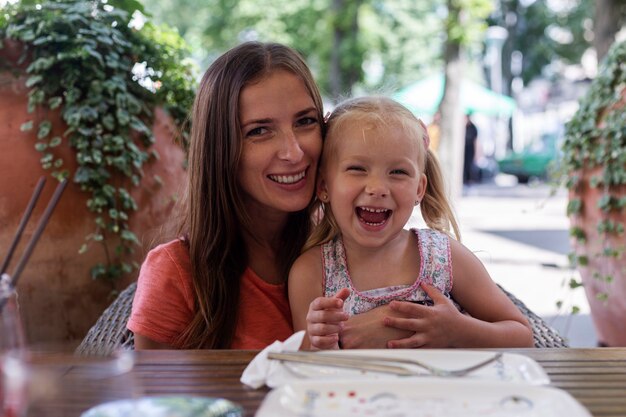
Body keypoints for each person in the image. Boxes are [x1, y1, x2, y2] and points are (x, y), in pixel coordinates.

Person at [288, 96, 534, 350]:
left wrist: (458, 330)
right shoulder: (310, 273)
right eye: (357, 169)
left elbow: (522, 335)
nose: (377, 188)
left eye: (398, 172)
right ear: (324, 186)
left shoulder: (442, 257)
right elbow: (307, 369)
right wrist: (322, 342)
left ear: (419, 189)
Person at [127, 41, 326, 349]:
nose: (293, 151)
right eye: (259, 131)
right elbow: (155, 395)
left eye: (305, 121)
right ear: (220, 149)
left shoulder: (345, 252)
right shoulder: (176, 271)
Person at [463, 112, 478, 185]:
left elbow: (475, 141)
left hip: (470, 150)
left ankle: (469, 180)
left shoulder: (473, 128)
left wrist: (476, 153)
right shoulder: (463, 127)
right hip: (464, 150)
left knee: (470, 165)